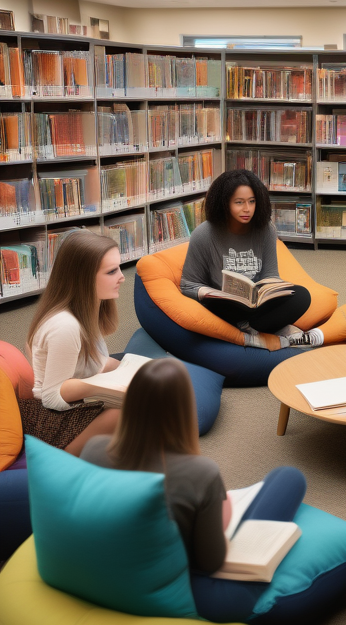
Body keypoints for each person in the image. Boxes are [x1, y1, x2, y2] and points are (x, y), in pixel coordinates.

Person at [81, 358, 307, 574]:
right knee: (289, 478)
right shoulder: (200, 473)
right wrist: (222, 522)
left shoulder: (94, 449)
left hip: (108, 562)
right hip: (173, 576)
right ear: (184, 410)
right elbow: (210, 562)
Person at [181, 168, 324, 351]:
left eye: (252, 201)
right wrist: (207, 293)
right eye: (239, 203)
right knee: (218, 306)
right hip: (225, 306)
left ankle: (249, 332)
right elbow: (187, 285)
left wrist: (270, 291)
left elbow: (271, 274)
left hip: (256, 306)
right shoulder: (204, 234)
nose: (247, 209)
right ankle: (266, 332)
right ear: (224, 203)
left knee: (301, 296)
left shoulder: (266, 230)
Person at [22, 230, 124, 456]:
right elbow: (50, 398)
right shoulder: (66, 326)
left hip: (73, 405)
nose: (123, 276)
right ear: (85, 278)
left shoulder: (87, 310)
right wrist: (101, 390)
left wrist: (124, 368)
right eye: (111, 271)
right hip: (55, 422)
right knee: (128, 413)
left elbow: (91, 361)